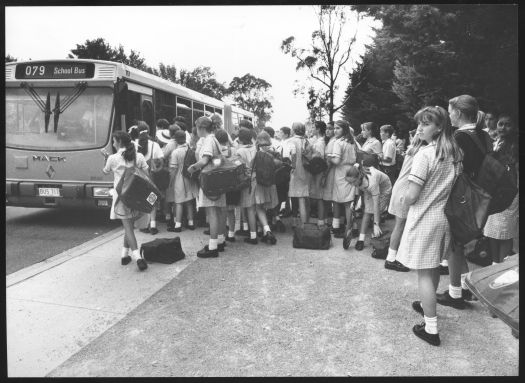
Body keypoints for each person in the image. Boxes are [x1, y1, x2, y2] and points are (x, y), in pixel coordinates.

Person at [396, 105, 462, 346]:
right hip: (443, 218)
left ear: (439, 127)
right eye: (418, 124)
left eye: (425, 124)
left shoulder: (425, 154)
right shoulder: (454, 153)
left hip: (424, 217)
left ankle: (431, 328)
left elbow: (412, 195)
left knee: (424, 273)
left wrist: (403, 197)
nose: (419, 128)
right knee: (432, 267)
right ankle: (427, 305)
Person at [436, 95, 492, 308]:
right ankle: (466, 288)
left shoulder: (460, 136)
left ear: (458, 113)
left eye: (450, 111)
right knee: (458, 244)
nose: (449, 115)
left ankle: (455, 294)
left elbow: (452, 169)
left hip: (460, 196)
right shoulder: (483, 134)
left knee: (453, 245)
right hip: (478, 195)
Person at [102, 131, 148, 271]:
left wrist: (106, 158)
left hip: (120, 197)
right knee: (130, 225)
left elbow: (105, 171)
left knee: (128, 227)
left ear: (119, 142)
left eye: (114, 141)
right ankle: (124, 255)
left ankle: (137, 257)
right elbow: (147, 173)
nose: (113, 144)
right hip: (136, 195)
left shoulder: (112, 158)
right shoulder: (138, 156)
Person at [384, 133, 427, 272]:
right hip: (405, 188)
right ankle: (391, 259)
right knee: (400, 225)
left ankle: (394, 256)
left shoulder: (412, 149)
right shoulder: (421, 152)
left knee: (400, 224)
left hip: (400, 186)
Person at [187, 116, 227, 258]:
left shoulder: (209, 140)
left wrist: (193, 167)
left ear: (201, 128)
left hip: (210, 181)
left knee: (212, 213)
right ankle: (220, 241)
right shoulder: (214, 138)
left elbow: (204, 160)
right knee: (220, 212)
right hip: (218, 179)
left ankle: (213, 247)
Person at [483, 113, 519, 263]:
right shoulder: (495, 141)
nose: (503, 128)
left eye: (507, 124)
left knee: (505, 231)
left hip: (510, 191)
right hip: (495, 191)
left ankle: (502, 265)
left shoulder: (516, 145)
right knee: (491, 230)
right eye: (500, 124)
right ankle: (494, 263)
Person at [345, 158, 391, 251]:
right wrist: (355, 202)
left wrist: (376, 223)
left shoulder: (372, 182)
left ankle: (376, 238)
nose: (352, 184)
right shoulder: (356, 177)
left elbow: (376, 205)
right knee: (366, 212)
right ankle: (361, 240)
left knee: (373, 213)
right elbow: (358, 189)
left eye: (353, 182)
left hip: (384, 189)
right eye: (350, 183)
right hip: (367, 188)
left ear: (358, 177)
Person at [326, 120, 357, 249]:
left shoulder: (338, 143)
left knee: (341, 201)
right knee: (349, 201)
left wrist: (329, 157)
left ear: (344, 129)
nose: (335, 130)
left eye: (338, 128)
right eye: (335, 128)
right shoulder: (351, 142)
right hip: (351, 170)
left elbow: (337, 160)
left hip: (341, 172)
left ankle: (343, 228)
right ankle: (350, 227)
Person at [130, 121, 165, 235]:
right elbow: (160, 160)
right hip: (151, 176)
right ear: (149, 131)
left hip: (138, 177)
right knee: (152, 199)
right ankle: (153, 225)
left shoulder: (133, 145)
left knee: (141, 200)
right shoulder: (155, 145)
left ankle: (143, 224)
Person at [169, 129, 198, 233]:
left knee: (179, 202)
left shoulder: (175, 152)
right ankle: (191, 223)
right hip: (190, 178)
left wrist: (170, 182)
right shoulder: (191, 149)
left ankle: (178, 225)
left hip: (179, 179)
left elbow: (173, 169)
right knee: (189, 201)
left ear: (176, 140)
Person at [287, 122, 311, 227]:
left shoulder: (291, 141)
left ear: (294, 129)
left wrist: (292, 167)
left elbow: (292, 155)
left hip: (295, 171)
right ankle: (304, 224)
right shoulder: (306, 141)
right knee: (303, 198)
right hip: (306, 171)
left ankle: (298, 224)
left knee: (298, 198)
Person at [308, 121, 327, 227]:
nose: (311, 129)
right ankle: (320, 219)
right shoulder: (318, 140)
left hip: (318, 170)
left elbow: (318, 158)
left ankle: (321, 220)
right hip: (317, 170)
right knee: (317, 196)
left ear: (318, 129)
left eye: (313, 127)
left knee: (319, 196)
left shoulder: (320, 142)